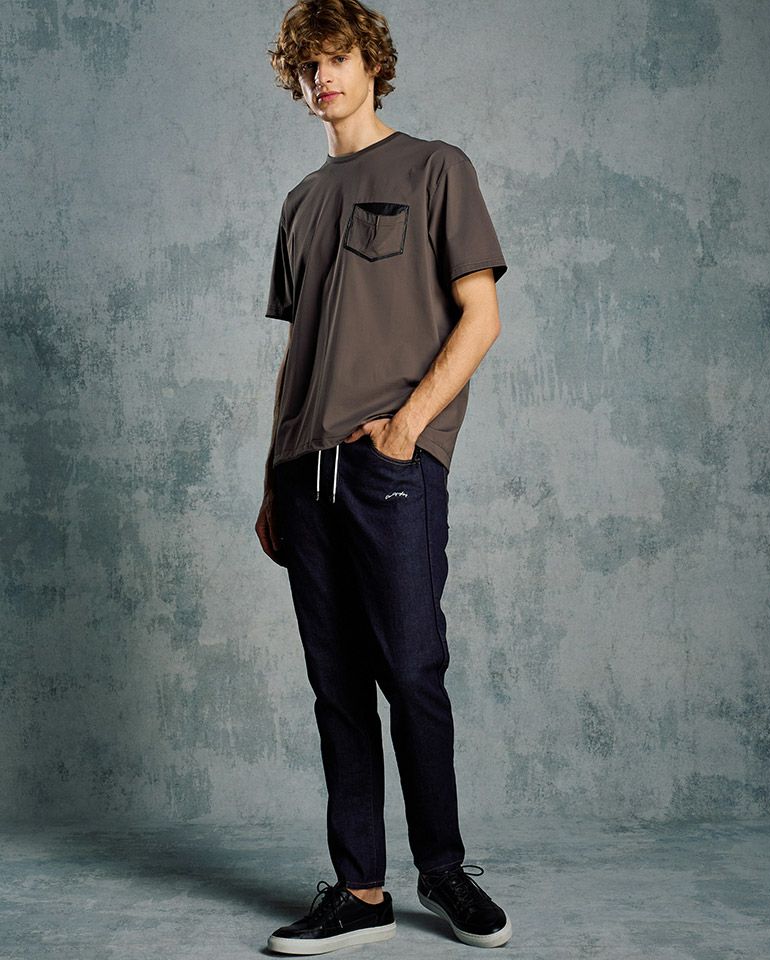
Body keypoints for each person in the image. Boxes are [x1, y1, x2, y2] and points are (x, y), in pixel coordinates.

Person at [255, 0, 511, 952]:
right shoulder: (300, 202)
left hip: (388, 468)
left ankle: (442, 871)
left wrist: (406, 429)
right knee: (337, 688)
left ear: (371, 63)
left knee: (411, 672)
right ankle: (362, 893)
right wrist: (271, 479)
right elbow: (297, 354)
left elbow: (480, 317)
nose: (321, 77)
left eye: (336, 58)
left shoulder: (435, 168)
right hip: (304, 475)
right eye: (306, 65)